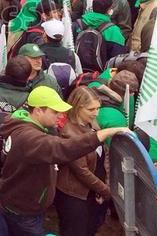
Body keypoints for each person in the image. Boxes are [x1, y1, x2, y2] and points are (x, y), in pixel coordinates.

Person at [0, 86, 129, 235]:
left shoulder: (29, 127)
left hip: (25, 205)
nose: (61, 116)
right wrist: (106, 132)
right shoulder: (29, 137)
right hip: (25, 211)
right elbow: (64, 148)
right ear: (39, 110)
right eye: (55, 112)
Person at [55, 87, 110, 236]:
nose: (96, 113)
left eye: (98, 108)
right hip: (74, 196)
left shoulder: (92, 124)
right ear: (78, 108)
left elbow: (104, 158)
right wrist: (105, 190)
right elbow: (81, 171)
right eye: (91, 109)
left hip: (91, 192)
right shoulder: (69, 134)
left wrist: (102, 186)